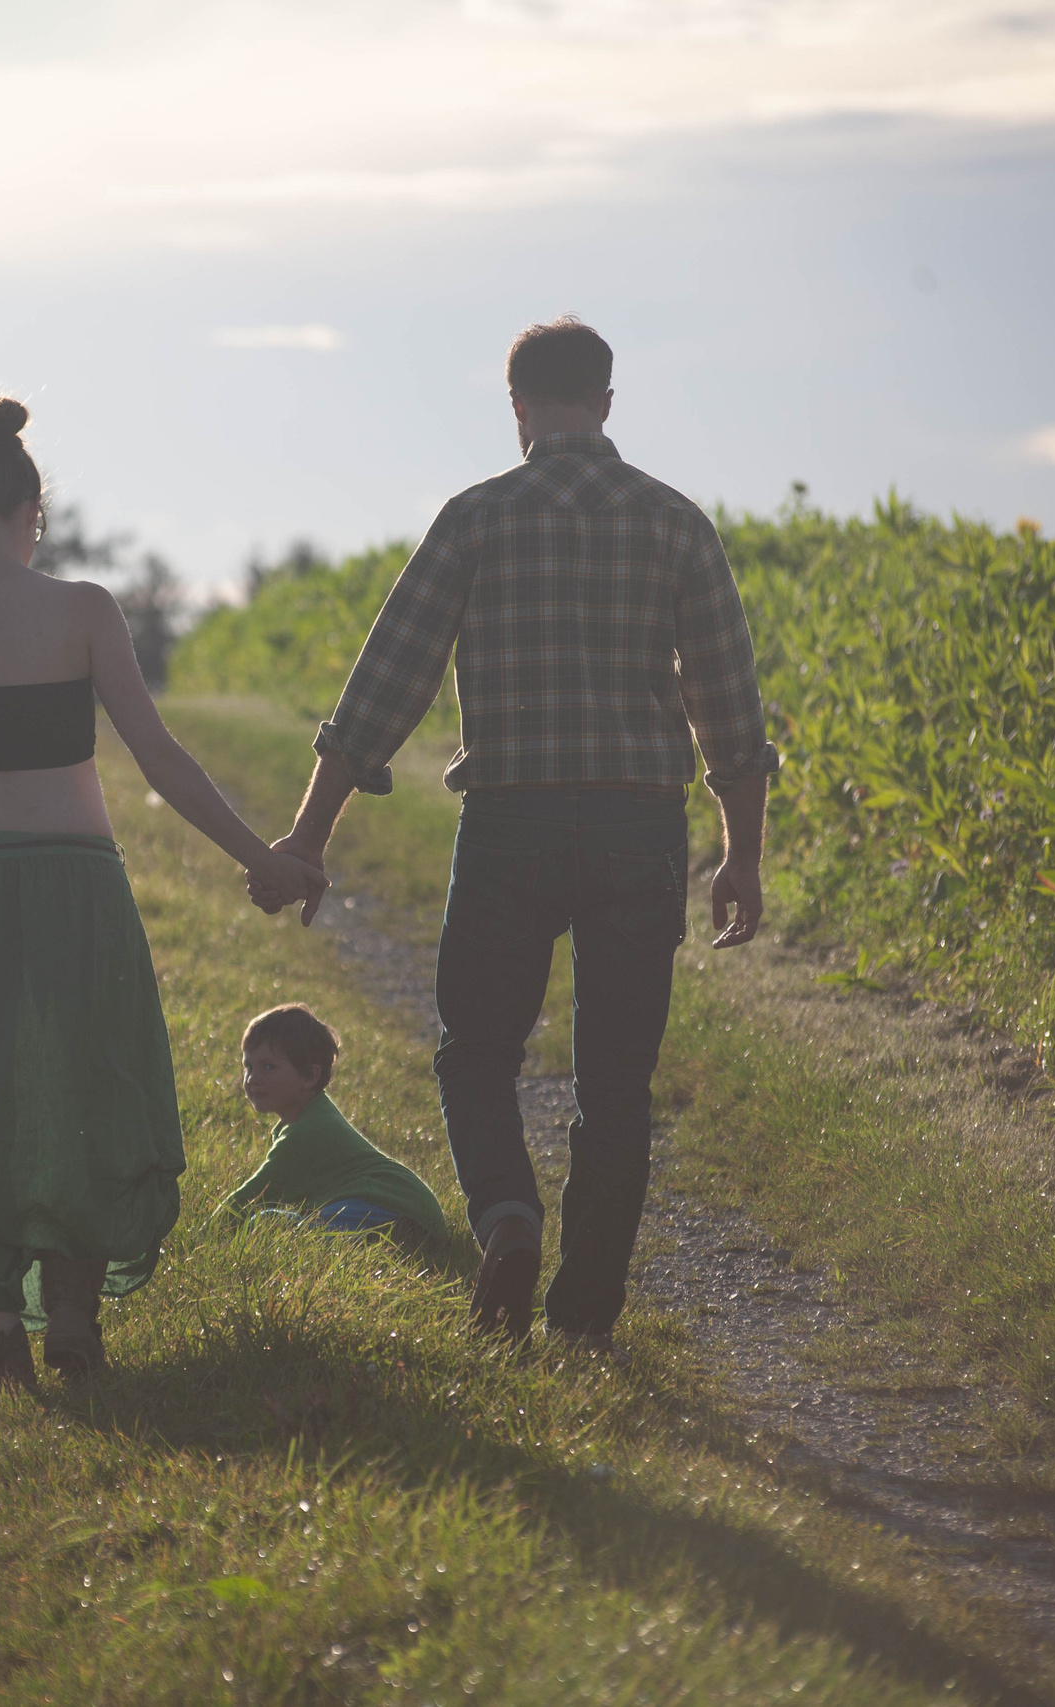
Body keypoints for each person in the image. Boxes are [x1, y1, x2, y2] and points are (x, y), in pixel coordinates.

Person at [249, 316, 779, 1352]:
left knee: (477, 1052)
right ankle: (583, 1316)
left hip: (509, 825)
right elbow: (731, 709)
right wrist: (740, 853)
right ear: (611, 403)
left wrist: (310, 837)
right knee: (614, 1082)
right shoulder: (675, 524)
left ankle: (506, 1218)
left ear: (518, 407)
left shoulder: (476, 520)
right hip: (638, 826)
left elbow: (380, 693)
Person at [0, 394, 326, 1397]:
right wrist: (259, 856)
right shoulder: (83, 611)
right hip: (73, 878)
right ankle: (69, 1302)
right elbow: (160, 758)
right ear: (36, 514)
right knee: (81, 1079)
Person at [226, 1003, 447, 1246]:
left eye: (269, 1067)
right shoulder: (308, 1117)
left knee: (302, 1235)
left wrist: (204, 1234)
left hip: (399, 1210)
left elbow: (249, 1198)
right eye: (248, 1066)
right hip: (397, 1209)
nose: (252, 1079)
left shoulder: (305, 1134)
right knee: (268, 1221)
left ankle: (393, 1239)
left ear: (310, 1076)